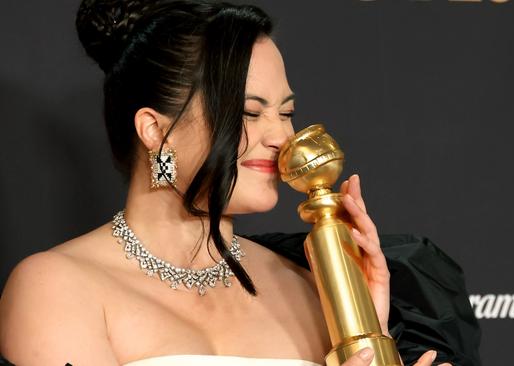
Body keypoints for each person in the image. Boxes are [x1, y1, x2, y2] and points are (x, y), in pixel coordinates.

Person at [0, 1, 480, 365]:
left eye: (287, 113)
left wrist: (367, 329)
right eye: (250, 113)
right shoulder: (58, 288)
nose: (283, 138)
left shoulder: (312, 287)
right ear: (155, 130)